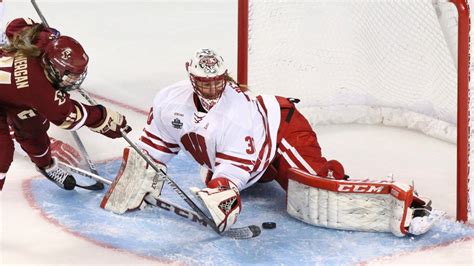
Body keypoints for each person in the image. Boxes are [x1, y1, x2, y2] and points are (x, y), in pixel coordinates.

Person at [101, 48, 438, 237]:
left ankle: (407, 206)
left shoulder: (237, 112)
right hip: (250, 155)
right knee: (220, 184)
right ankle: (273, 177)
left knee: (314, 191)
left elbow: (238, 166)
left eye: (218, 81)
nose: (212, 88)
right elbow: (156, 144)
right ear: (191, 77)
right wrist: (137, 179)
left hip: (280, 132)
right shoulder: (169, 100)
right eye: (205, 82)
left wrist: (224, 189)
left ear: (225, 77)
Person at [0, 18, 131, 191]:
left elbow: (15, 25)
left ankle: (46, 166)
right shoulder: (40, 90)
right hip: (14, 93)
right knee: (3, 153)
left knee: (33, 129)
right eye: (69, 75)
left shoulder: (45, 41)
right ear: (52, 67)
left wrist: (42, 29)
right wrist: (103, 117)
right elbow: (70, 117)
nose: (74, 80)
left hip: (15, 95)